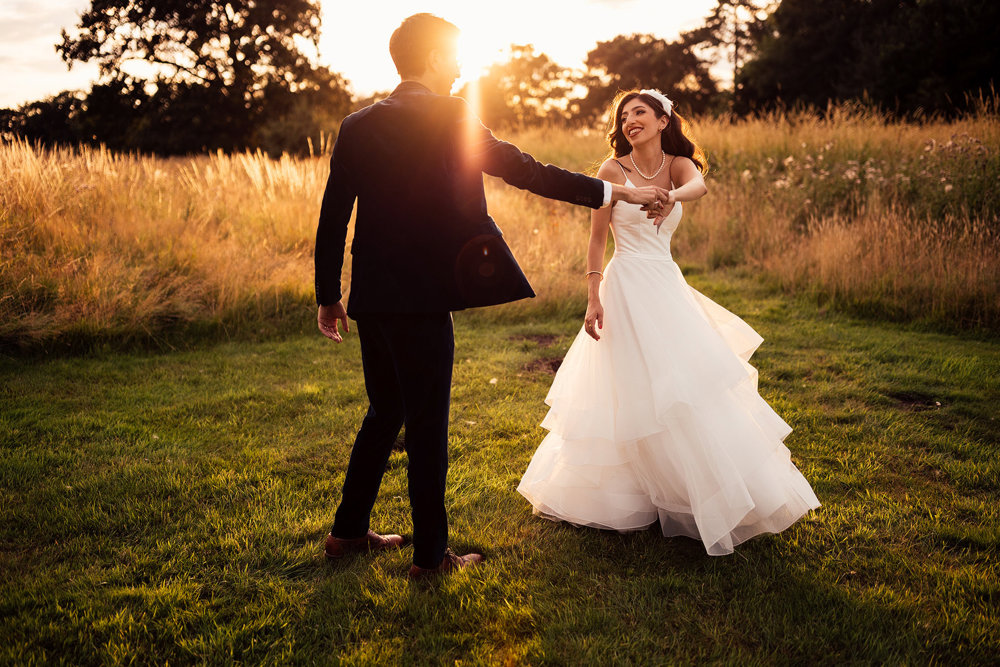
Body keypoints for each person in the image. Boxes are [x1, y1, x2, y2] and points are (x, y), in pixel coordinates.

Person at [314, 15, 671, 578]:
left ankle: (347, 532)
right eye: (454, 55)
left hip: (374, 296)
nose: (460, 65)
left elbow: (334, 213)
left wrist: (328, 293)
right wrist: (613, 191)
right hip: (423, 300)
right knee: (425, 424)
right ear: (433, 57)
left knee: (385, 411)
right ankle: (431, 558)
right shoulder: (450, 114)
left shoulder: (357, 124)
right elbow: (525, 171)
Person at [517, 89, 820, 556]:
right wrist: (593, 295)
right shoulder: (611, 170)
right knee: (628, 387)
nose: (629, 120)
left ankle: (692, 490)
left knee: (681, 387)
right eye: (624, 115)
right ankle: (628, 497)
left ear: (663, 120)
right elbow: (597, 241)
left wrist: (667, 196)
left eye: (639, 112)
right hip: (623, 285)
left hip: (664, 283)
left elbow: (698, 187)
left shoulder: (679, 165)